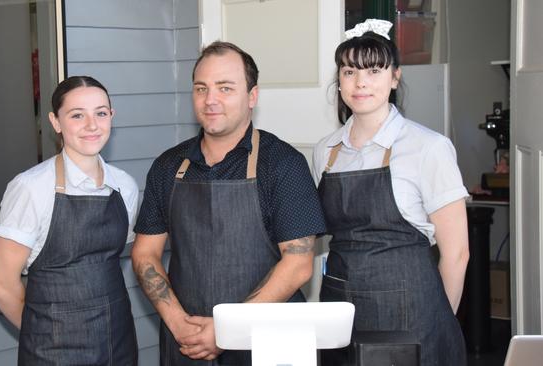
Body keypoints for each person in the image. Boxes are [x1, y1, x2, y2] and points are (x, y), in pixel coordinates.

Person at [131, 41, 326, 365]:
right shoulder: (168, 167)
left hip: (270, 343)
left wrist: (228, 329)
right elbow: (145, 253)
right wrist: (179, 323)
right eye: (201, 88)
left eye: (225, 88)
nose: (211, 100)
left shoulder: (283, 164)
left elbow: (298, 265)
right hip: (188, 342)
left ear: (252, 96)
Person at [313, 19, 469, 366]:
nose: (360, 82)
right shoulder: (325, 151)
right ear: (338, 80)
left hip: (412, 315)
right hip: (341, 310)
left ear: (395, 77)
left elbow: (457, 253)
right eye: (350, 71)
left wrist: (439, 321)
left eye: (374, 70)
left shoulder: (429, 148)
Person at [0, 76, 139, 365]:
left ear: (112, 117)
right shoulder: (30, 188)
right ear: (56, 122)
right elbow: (2, 284)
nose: (92, 125)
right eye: (77, 115)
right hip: (52, 350)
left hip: (118, 341)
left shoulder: (126, 187)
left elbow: (112, 261)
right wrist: (43, 331)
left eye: (101, 113)